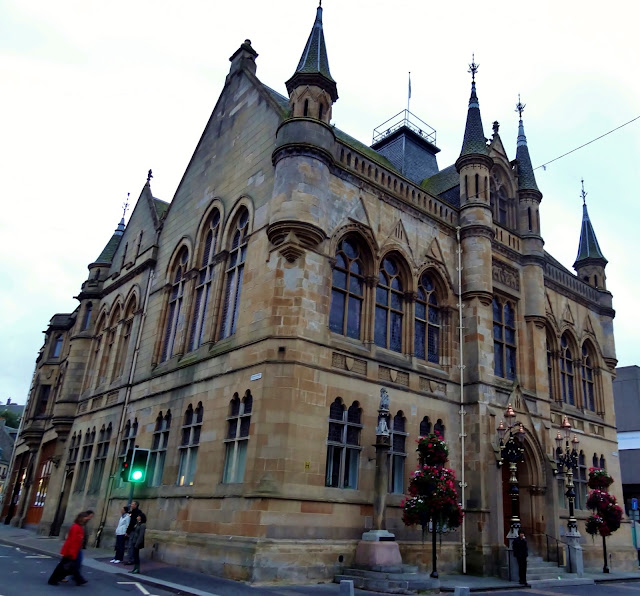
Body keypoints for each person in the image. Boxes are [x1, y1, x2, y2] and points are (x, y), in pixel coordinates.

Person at [47, 512, 88, 586]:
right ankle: (53, 580)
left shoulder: (79, 527)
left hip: (74, 550)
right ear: (81, 518)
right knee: (63, 566)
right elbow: (72, 540)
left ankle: (79, 579)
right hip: (70, 551)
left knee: (71, 566)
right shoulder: (75, 527)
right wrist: (72, 552)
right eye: (85, 518)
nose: (86, 520)